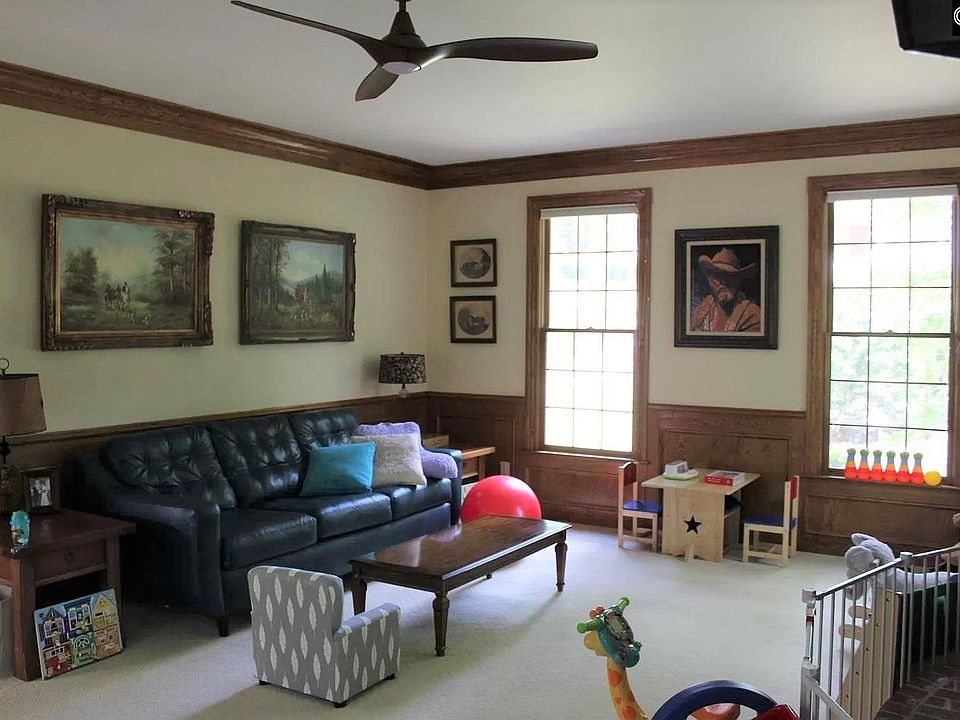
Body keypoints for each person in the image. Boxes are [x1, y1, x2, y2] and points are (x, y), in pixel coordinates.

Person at [689, 247, 761, 333]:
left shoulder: (753, 314)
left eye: (730, 276)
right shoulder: (704, 307)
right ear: (709, 280)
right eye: (717, 275)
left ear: (738, 280)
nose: (723, 282)